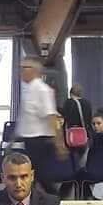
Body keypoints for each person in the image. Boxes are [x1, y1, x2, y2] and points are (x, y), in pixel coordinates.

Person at [16, 58, 67, 194]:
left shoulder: (42, 90)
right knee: (33, 178)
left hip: (40, 141)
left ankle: (57, 203)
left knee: (41, 178)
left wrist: (59, 143)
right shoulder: (29, 89)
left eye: (25, 67)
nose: (21, 71)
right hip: (30, 140)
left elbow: (52, 117)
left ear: (34, 71)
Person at [62, 83, 93, 163]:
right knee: (83, 158)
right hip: (84, 135)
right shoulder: (87, 103)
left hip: (71, 136)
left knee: (72, 159)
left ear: (70, 93)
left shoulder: (68, 103)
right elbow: (89, 120)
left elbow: (65, 118)